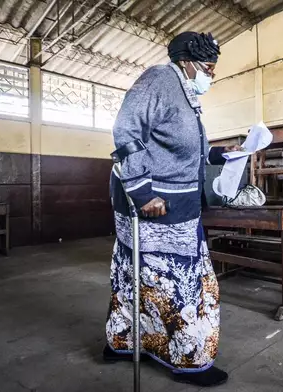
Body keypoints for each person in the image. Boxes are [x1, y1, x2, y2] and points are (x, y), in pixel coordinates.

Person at [102, 31, 240, 387]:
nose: (211, 75)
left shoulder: (187, 95)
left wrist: (218, 154)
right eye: (208, 68)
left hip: (176, 204)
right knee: (177, 285)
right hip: (152, 203)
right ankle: (189, 360)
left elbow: (180, 147)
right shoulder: (159, 79)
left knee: (143, 278)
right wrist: (143, 192)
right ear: (187, 62)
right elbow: (126, 130)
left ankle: (122, 343)